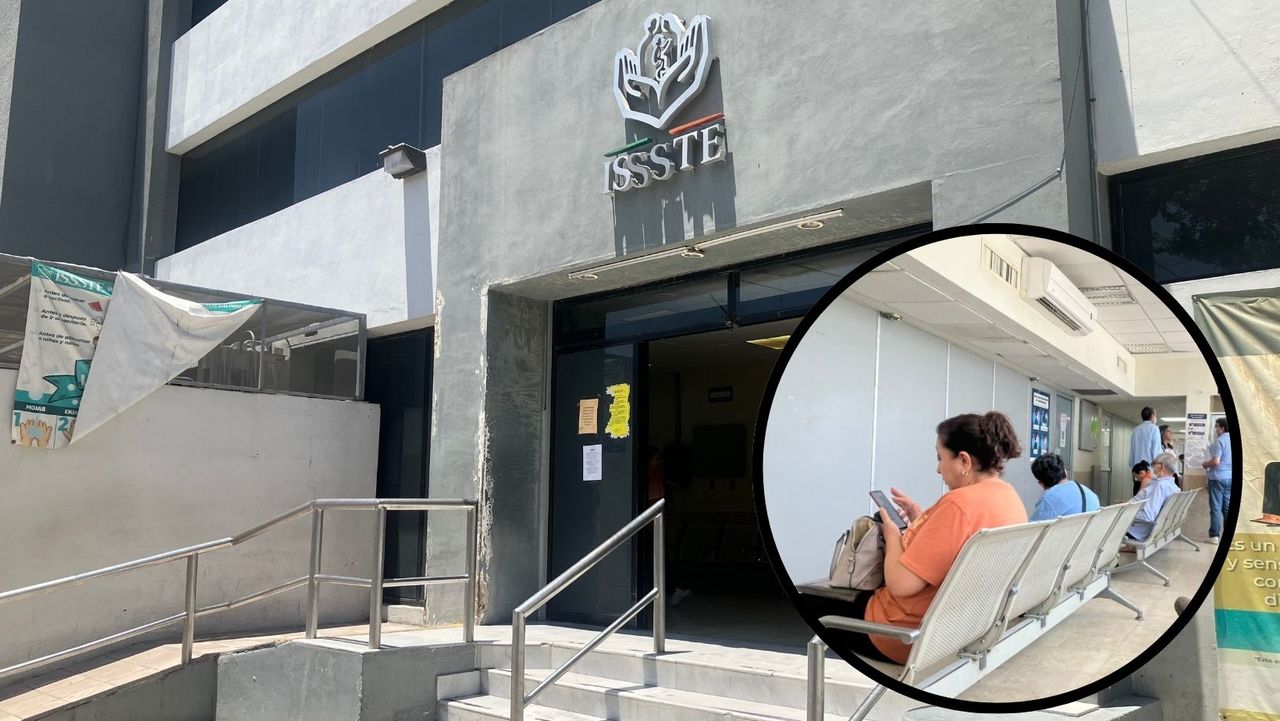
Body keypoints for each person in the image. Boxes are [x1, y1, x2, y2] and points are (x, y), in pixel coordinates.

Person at [834, 412, 1028, 665]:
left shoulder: (958, 503)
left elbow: (901, 585)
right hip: (966, 625)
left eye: (940, 458)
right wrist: (921, 518)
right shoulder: (1006, 495)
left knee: (814, 604)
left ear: (964, 460)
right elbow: (954, 543)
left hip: (907, 634)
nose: (938, 469)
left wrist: (892, 535)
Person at [1030, 453, 1100, 521]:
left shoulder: (1048, 500)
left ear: (1041, 484)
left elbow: (1034, 527)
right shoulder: (1091, 494)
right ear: (1065, 471)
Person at [1127, 453, 1180, 541]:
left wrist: (1124, 512)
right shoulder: (1173, 486)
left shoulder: (1160, 486)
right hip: (1141, 527)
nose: (1151, 467)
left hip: (1134, 530)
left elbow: (1147, 516)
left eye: (1153, 464)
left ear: (1161, 466)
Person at [1202, 417, 1233, 545]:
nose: (1215, 429)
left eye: (1217, 426)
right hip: (1229, 478)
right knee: (1227, 508)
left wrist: (1205, 464)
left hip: (1217, 478)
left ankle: (1214, 536)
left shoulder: (1219, 441)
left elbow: (1215, 461)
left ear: (1222, 428)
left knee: (1215, 508)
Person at [1130, 407, 1162, 495]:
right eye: (1155, 415)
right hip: (1149, 471)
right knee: (1147, 497)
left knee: (1137, 496)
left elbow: (1132, 451)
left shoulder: (1135, 430)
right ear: (1152, 416)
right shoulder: (1154, 428)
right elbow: (1156, 453)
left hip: (1137, 470)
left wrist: (1133, 470)